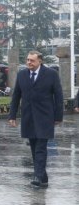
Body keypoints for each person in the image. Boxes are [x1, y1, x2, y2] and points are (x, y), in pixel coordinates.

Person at [8, 51, 63, 187]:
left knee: (41, 147)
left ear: (40, 61)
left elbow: (59, 96)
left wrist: (58, 116)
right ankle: (43, 177)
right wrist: (12, 115)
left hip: (45, 116)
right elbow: (16, 96)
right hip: (28, 116)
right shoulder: (22, 75)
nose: (29, 63)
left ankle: (37, 176)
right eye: (27, 60)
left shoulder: (51, 74)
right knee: (33, 147)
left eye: (32, 60)